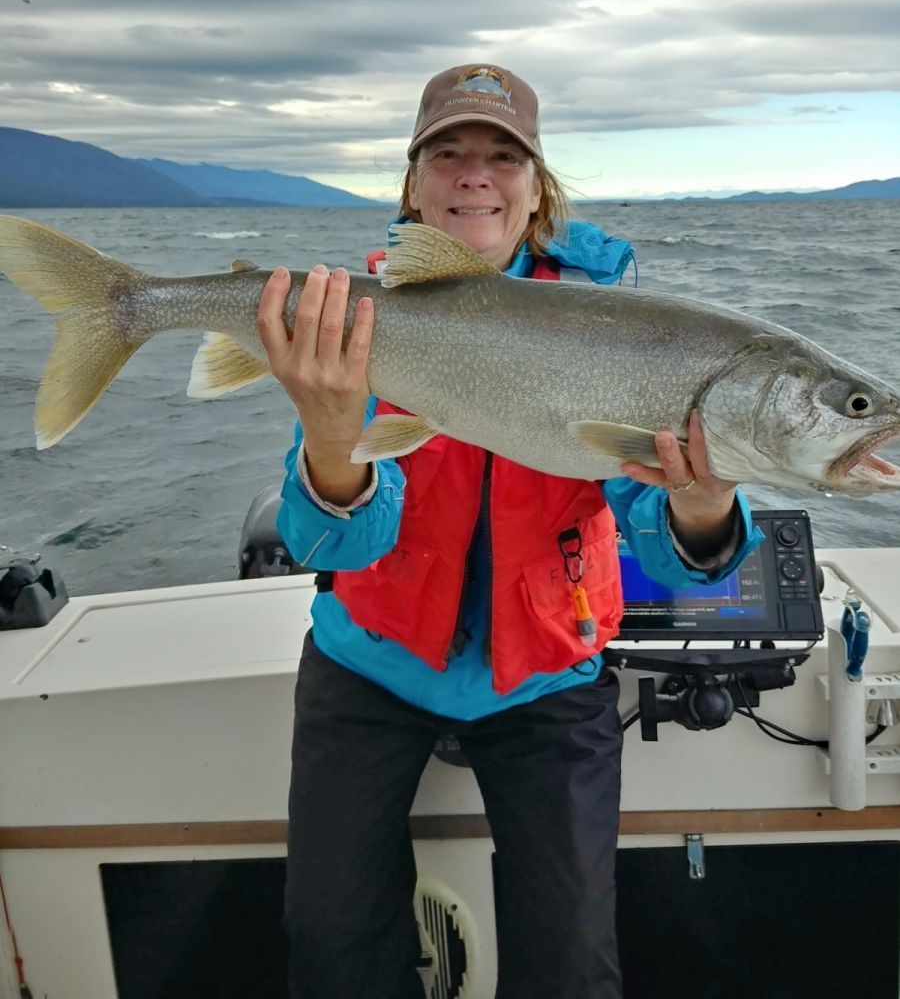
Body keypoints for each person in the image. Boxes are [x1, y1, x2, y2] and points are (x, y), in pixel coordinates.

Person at [257, 64, 763, 999]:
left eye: (502, 156)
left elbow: (666, 546)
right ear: (412, 188)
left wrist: (700, 503)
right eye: (446, 153)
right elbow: (331, 547)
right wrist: (332, 439)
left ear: (538, 191)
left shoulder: (622, 330)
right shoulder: (352, 323)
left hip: (547, 675)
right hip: (369, 661)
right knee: (328, 939)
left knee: (573, 965)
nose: (473, 174)